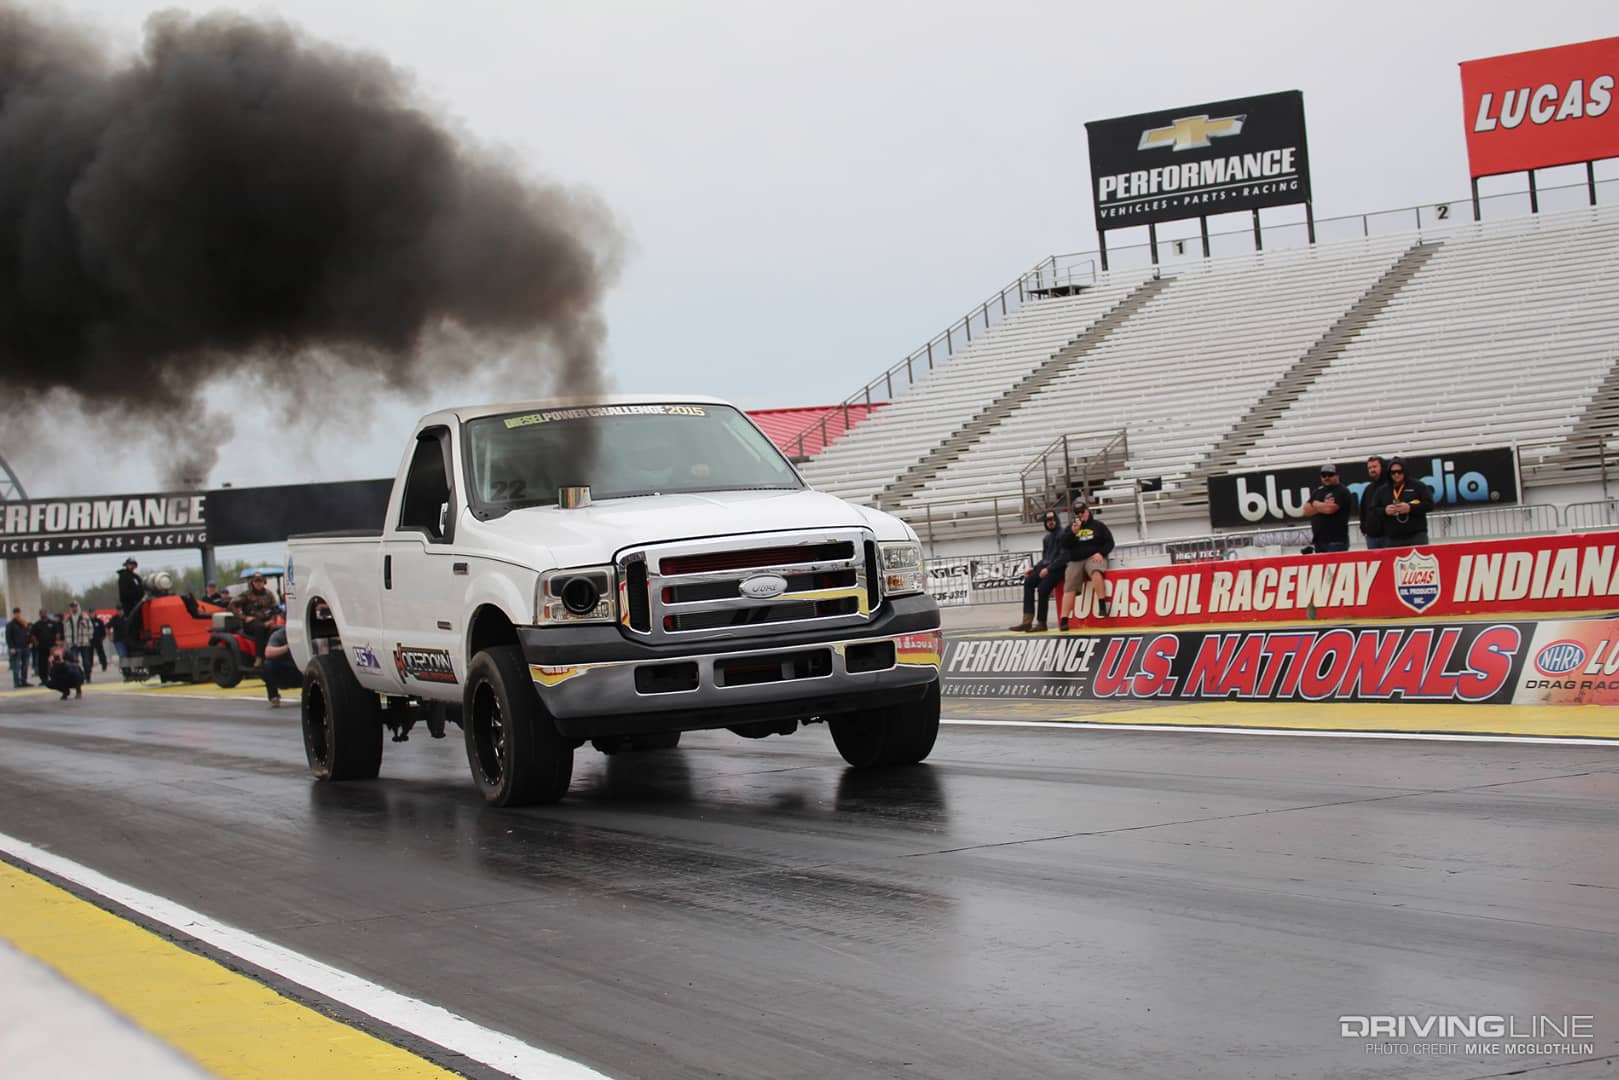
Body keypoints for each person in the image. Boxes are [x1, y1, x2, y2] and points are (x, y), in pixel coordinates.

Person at [1058, 502, 1116, 628]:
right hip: (1076, 559)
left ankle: (1102, 604)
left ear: (1087, 511)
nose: (1080, 515)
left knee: (1095, 571)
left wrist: (1101, 553)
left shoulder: (1098, 526)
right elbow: (1063, 544)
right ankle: (1064, 619)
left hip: (1093, 556)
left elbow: (1110, 542)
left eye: (1082, 512)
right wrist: (1072, 533)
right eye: (1077, 513)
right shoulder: (1071, 528)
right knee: (1069, 586)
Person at [1009, 510, 1069, 633]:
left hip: (1059, 568)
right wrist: (1035, 568)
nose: (1050, 522)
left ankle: (1042, 623)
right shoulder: (1047, 538)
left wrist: (1048, 569)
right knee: (1028, 582)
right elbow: (1045, 558)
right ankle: (1027, 622)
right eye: (1048, 521)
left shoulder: (1063, 535)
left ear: (1057, 520)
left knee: (1043, 589)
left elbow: (1063, 557)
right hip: (1046, 568)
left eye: (1052, 520)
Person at [1372, 456, 1433, 547]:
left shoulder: (1418, 486)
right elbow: (1373, 509)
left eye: (1399, 471)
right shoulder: (1382, 490)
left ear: (1405, 471)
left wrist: (1410, 508)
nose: (1396, 475)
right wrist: (1385, 511)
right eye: (1393, 472)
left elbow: (1430, 504)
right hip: (1393, 538)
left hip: (1416, 536)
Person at [1301, 463, 1352, 554]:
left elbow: (1330, 509)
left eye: (1330, 475)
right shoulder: (1318, 491)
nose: (1327, 477)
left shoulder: (1342, 491)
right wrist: (1322, 505)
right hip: (1319, 541)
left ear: (1337, 476)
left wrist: (1315, 504)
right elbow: (1306, 511)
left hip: (1336, 541)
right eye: (1324, 475)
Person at [231, 573, 280, 664]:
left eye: (260, 581)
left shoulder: (269, 594)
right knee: (260, 627)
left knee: (278, 628)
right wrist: (244, 617)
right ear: (252, 583)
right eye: (256, 582)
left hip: (267, 620)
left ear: (264, 582)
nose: (258, 584)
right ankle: (259, 658)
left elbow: (275, 609)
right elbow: (232, 605)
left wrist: (272, 620)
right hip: (251, 622)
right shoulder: (247, 595)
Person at [262, 627, 300, 707]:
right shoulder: (279, 634)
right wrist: (287, 647)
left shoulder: (306, 633)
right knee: (268, 664)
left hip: (303, 667)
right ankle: (273, 696)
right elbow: (268, 653)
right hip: (286, 668)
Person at [1359, 455, 1390, 550]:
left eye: (1375, 466)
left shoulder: (1390, 486)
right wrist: (1363, 528)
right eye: (1369, 468)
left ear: (1382, 467)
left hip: (1388, 535)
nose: (1372, 470)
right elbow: (1363, 509)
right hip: (1371, 537)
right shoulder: (1368, 489)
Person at [61, 601, 96, 683]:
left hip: (84, 642)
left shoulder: (85, 617)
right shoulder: (67, 619)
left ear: (78, 607)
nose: (74, 608)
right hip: (73, 643)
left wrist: (89, 638)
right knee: (74, 662)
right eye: (72, 607)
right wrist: (67, 641)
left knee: (86, 662)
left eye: (75, 606)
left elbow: (91, 628)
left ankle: (88, 676)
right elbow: (65, 630)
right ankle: (78, 678)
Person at [30, 608, 59, 684]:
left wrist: (56, 644)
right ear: (40, 614)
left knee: (53, 663)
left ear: (47, 613)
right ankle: (44, 679)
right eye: (42, 613)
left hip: (52, 647)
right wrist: (36, 643)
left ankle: (55, 678)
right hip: (41, 647)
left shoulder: (52, 623)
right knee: (42, 664)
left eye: (45, 613)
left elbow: (57, 634)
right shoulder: (37, 624)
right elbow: (32, 635)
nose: (44, 614)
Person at [6, 608, 32, 688]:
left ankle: (24, 681)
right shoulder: (11, 624)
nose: (17, 615)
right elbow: (8, 637)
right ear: (14, 614)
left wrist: (30, 642)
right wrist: (11, 647)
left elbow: (28, 633)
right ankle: (17, 683)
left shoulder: (24, 623)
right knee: (16, 666)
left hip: (25, 647)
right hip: (16, 648)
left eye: (18, 613)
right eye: (16, 613)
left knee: (25, 666)